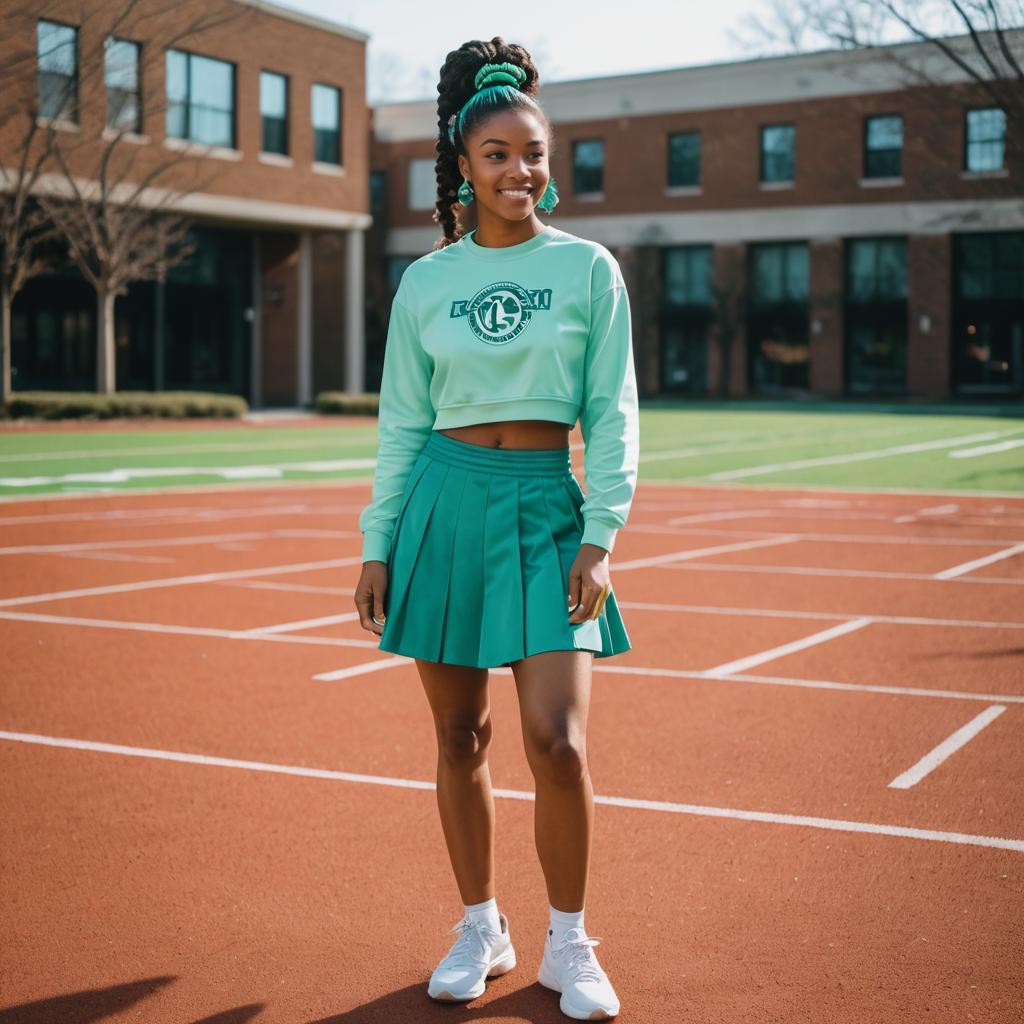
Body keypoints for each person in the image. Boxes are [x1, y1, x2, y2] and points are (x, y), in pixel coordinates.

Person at [353, 36, 640, 1022]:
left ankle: (569, 941)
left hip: (542, 508)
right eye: (498, 155)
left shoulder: (588, 270)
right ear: (462, 168)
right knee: (458, 733)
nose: (521, 170)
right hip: (443, 500)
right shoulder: (425, 283)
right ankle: (481, 924)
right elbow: (399, 423)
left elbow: (612, 412)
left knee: (556, 742)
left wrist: (599, 532)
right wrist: (377, 542)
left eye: (534, 153)